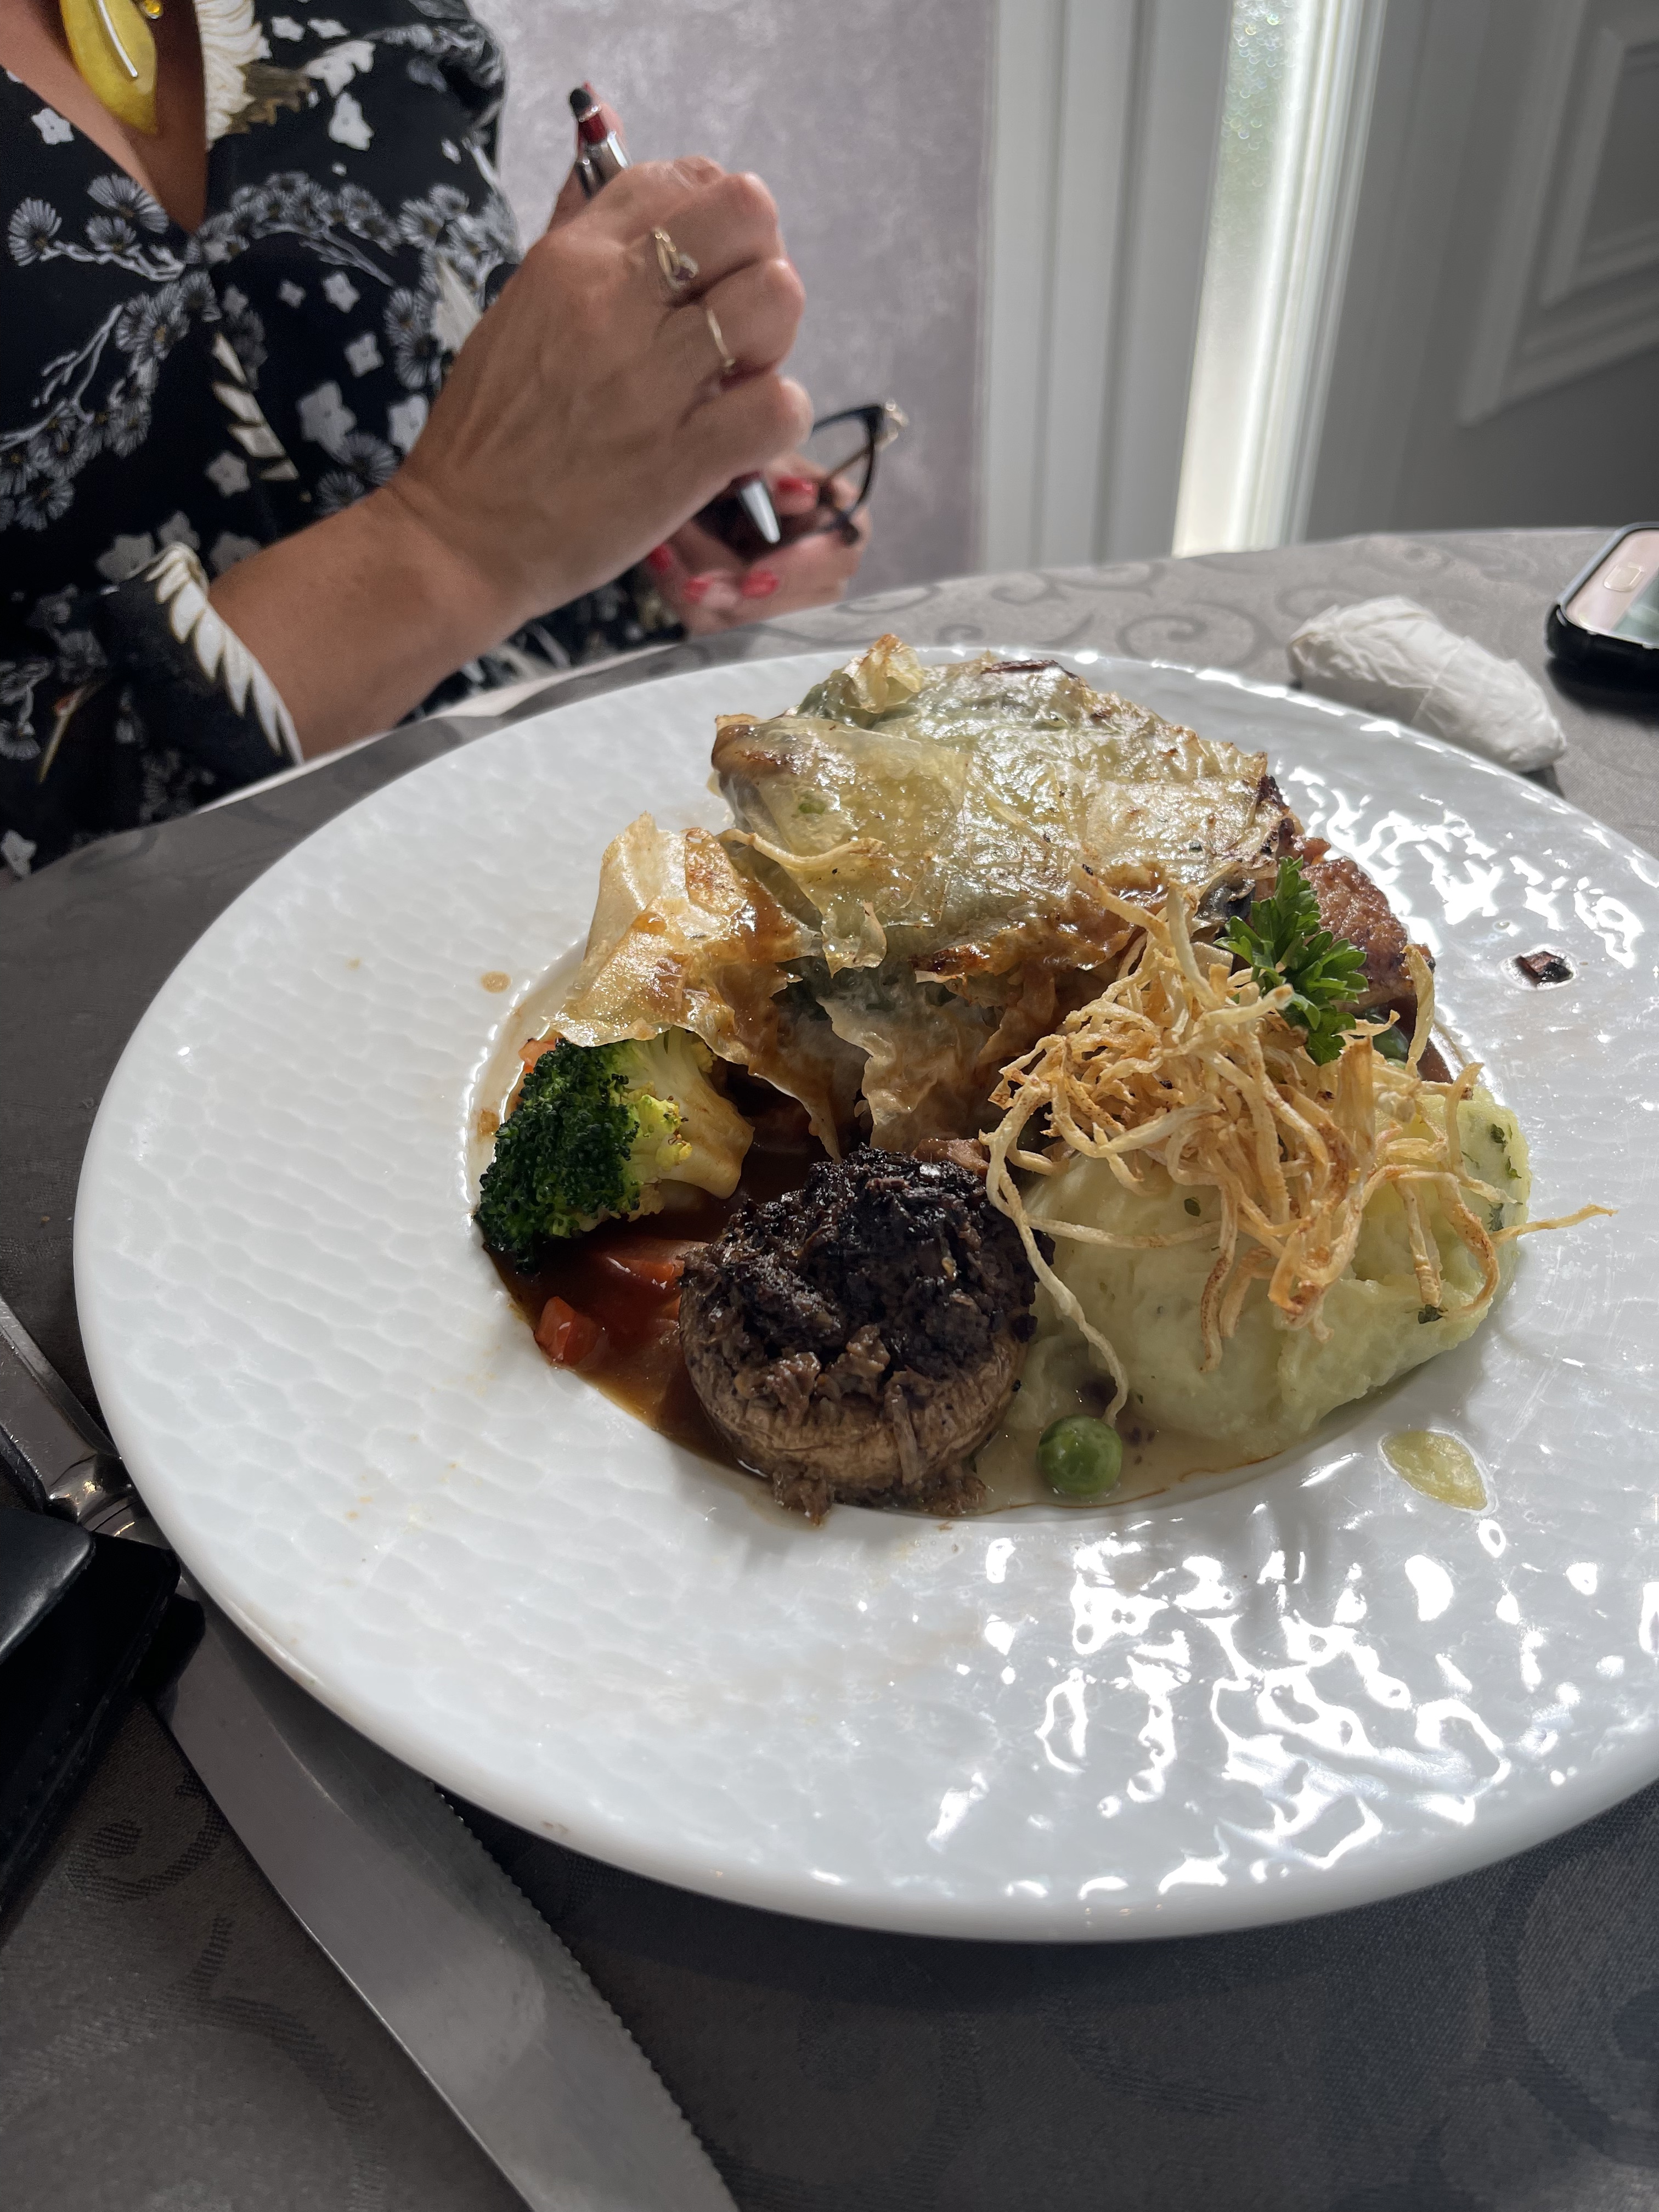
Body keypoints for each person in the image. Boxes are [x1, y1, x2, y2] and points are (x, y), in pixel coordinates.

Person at [0, 0, 870, 876]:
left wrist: (651, 484)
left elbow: (434, 400)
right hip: (214, 940)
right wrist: (457, 540)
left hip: (623, 850)